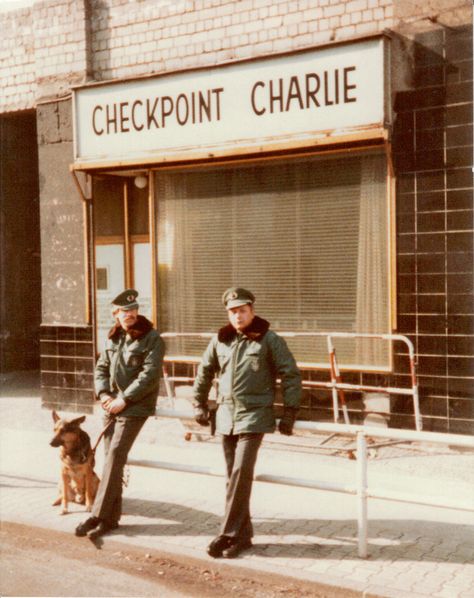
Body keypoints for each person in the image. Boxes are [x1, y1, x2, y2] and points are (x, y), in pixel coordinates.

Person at [193, 287, 302, 558]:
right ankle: (243, 537)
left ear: (252, 310)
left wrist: (290, 412)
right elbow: (204, 370)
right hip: (226, 416)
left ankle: (226, 533)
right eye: (232, 311)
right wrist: (199, 402)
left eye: (242, 310)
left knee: (240, 472)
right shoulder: (220, 340)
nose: (238, 316)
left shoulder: (269, 340)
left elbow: (291, 374)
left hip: (255, 416)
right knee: (233, 478)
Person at [75, 289, 165, 539]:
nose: (129, 314)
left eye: (133, 309)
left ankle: (97, 515)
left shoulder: (152, 338)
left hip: (135, 406)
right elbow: (101, 368)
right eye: (124, 311)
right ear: (115, 314)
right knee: (110, 459)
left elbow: (149, 375)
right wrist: (104, 394)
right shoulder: (114, 338)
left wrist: (124, 399)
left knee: (115, 453)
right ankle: (111, 519)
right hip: (111, 405)